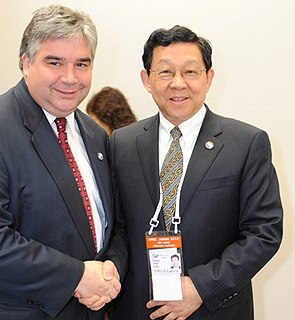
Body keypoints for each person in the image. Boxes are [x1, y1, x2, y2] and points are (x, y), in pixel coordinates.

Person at [0, 5, 125, 320]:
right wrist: (77, 277)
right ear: (25, 63)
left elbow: (108, 223)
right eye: (55, 62)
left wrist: (109, 271)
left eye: (82, 63)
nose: (70, 77)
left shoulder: (94, 134)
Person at [109, 25, 283, 320]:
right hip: (138, 308)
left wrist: (202, 287)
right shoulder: (122, 142)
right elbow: (118, 228)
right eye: (165, 72)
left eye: (190, 72)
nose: (178, 83)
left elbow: (264, 232)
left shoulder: (246, 143)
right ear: (147, 79)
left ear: (208, 78)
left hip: (214, 308)